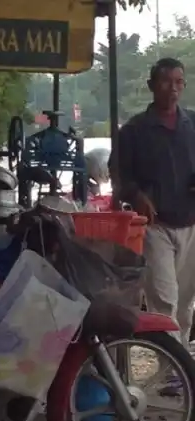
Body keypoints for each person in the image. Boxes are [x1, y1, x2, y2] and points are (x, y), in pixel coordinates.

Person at [109, 58, 195, 388]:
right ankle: (175, 373)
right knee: (164, 302)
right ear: (151, 85)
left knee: (186, 307)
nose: (172, 89)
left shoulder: (192, 124)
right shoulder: (133, 131)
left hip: (190, 223)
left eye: (178, 82)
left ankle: (178, 366)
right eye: (165, 82)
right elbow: (119, 175)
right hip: (155, 226)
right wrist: (135, 193)